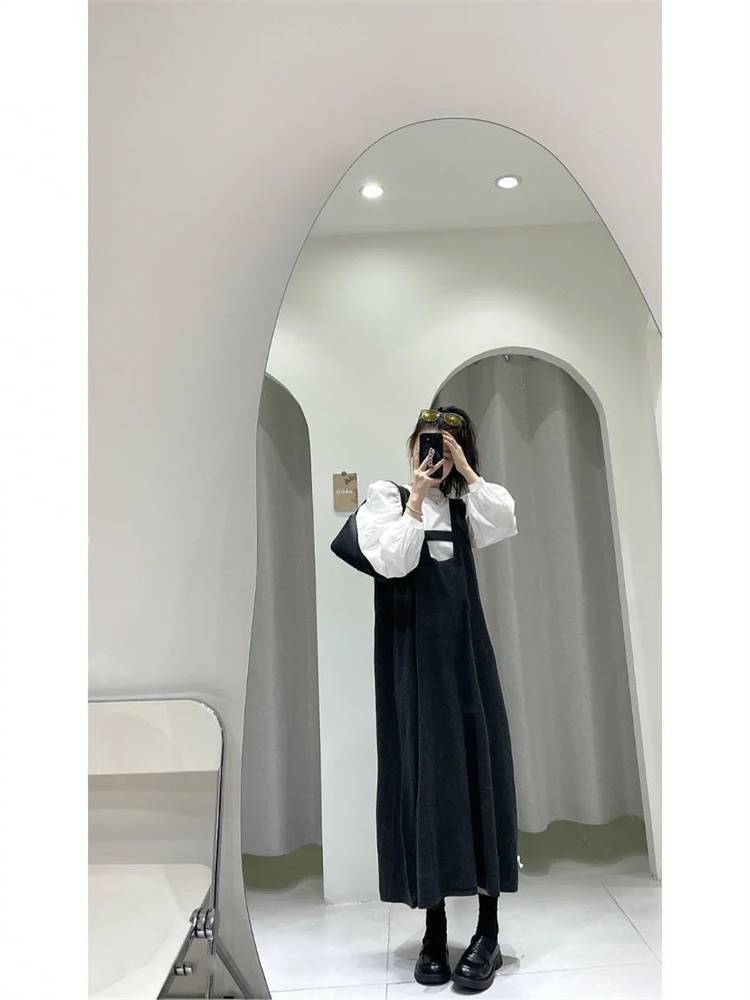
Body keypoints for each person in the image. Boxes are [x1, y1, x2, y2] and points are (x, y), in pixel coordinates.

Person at [354, 405, 520, 991]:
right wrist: (418, 498)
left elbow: (504, 520)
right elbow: (392, 561)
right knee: (424, 780)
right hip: (413, 667)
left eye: (447, 445)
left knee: (481, 775)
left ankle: (488, 932)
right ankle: (434, 928)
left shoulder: (468, 506)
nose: (434, 454)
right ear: (411, 446)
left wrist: (467, 473)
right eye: (427, 442)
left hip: (467, 660)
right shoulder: (387, 501)